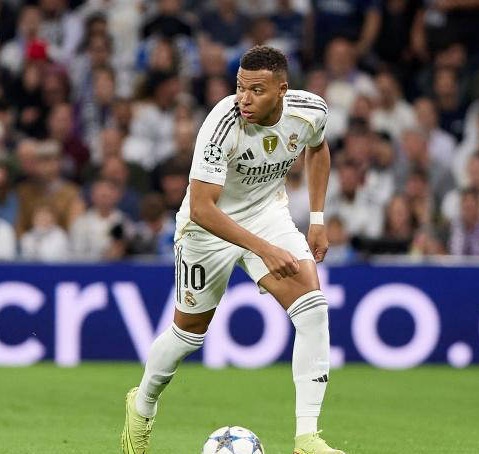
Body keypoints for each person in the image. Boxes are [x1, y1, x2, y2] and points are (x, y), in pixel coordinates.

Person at [121, 46, 344, 454]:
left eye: (257, 90)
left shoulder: (310, 110)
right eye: (240, 87)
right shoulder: (222, 123)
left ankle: (307, 438)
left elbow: (317, 147)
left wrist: (316, 218)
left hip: (265, 214)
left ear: (282, 90)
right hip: (208, 230)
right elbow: (202, 208)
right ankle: (142, 404)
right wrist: (264, 250)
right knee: (188, 334)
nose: (244, 98)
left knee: (313, 309)